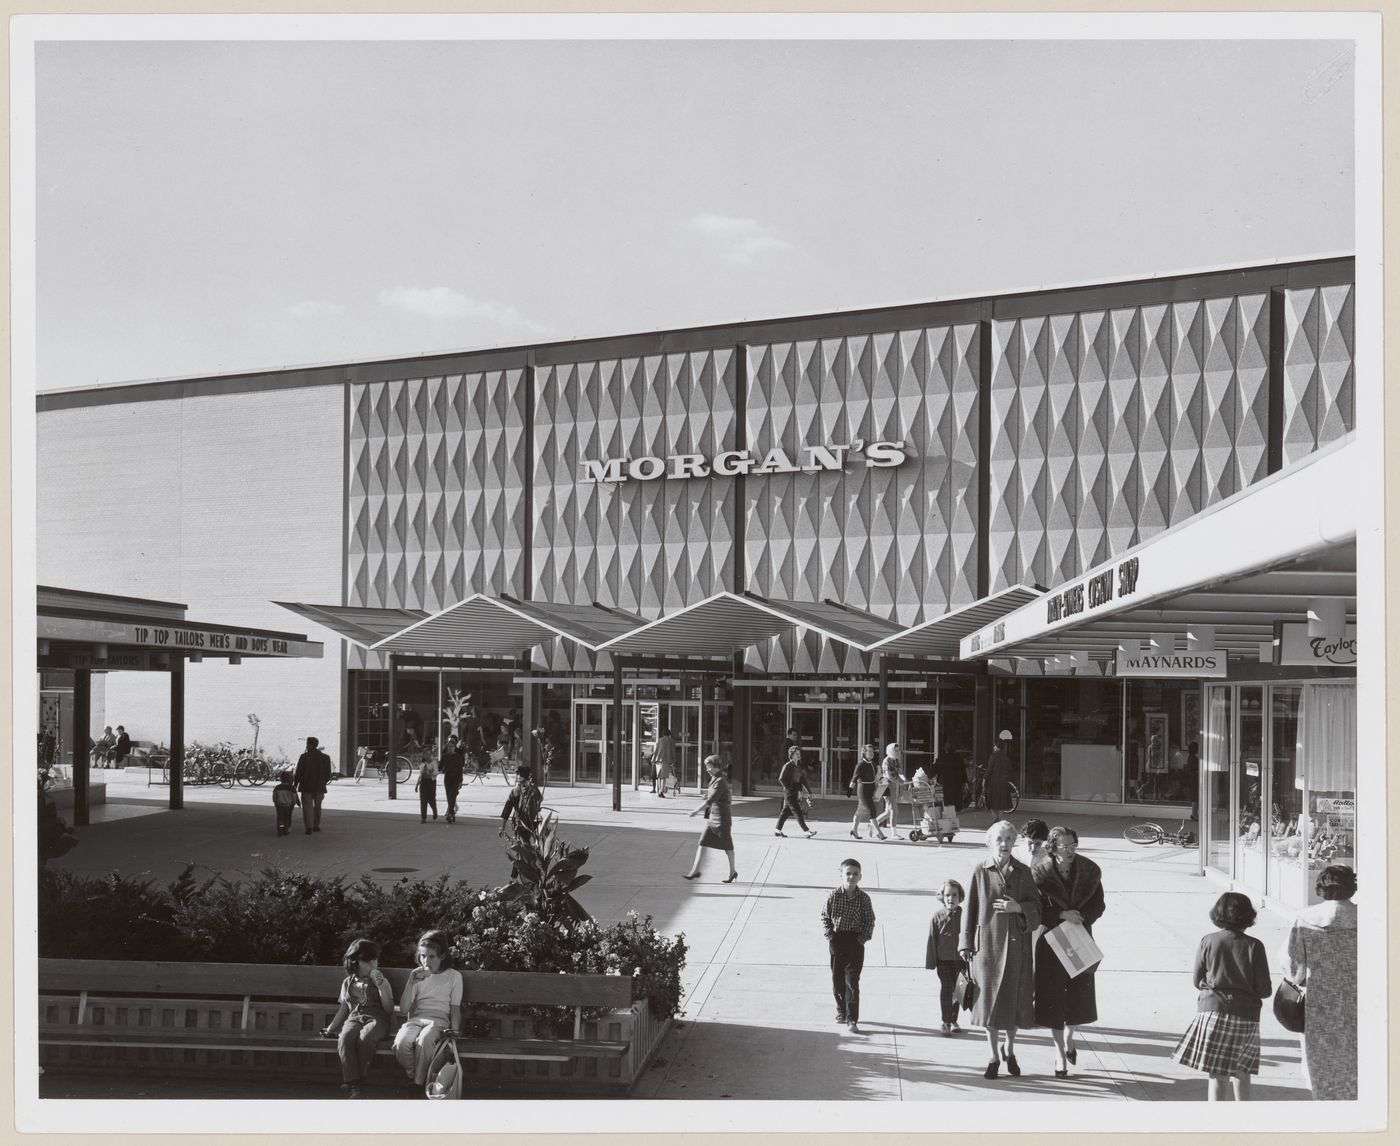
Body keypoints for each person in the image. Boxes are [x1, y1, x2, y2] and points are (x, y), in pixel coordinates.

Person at [1171, 891, 1272, 1101]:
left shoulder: (1208, 941)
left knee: (1217, 1075)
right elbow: (1264, 990)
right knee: (1242, 1072)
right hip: (1246, 1015)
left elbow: (1197, 980)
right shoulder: (1255, 945)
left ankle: (1216, 1122)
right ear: (1249, 916)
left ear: (1217, 914)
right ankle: (1243, 1119)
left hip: (1212, 1012)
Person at [960, 819, 1042, 1079]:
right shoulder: (980, 870)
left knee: (1014, 1003)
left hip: (1018, 948)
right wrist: (965, 943)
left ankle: (1011, 1049)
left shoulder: (1024, 872)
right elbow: (970, 909)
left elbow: (1037, 910)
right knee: (988, 1005)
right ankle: (994, 1056)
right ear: (989, 843)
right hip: (987, 949)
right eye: (999, 839)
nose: (1004, 844)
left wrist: (1019, 908)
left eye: (1009, 839)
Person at [1279, 865, 1358, 1100]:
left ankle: (1326, 1101)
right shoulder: (1370, 917)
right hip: (1361, 999)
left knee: (1322, 1058)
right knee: (1358, 1054)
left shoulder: (1305, 918)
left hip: (1319, 1001)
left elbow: (1292, 965)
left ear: (1321, 888)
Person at [1032, 826, 1105, 1077]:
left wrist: (1082, 917)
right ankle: (1059, 1054)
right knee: (1052, 999)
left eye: (1073, 845)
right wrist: (1060, 914)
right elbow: (1034, 907)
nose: (1070, 850)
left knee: (1078, 996)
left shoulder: (1089, 871)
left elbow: (1099, 904)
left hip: (1079, 937)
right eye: (1064, 846)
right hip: (1051, 939)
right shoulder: (1039, 872)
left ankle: (1070, 1038)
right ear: (1052, 847)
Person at [321, 938, 395, 1099]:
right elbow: (344, 1008)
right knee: (345, 1037)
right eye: (367, 961)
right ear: (355, 962)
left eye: (375, 960)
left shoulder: (382, 981)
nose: (373, 964)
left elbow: (389, 1009)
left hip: (378, 1018)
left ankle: (356, 1083)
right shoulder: (348, 983)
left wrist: (381, 987)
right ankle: (353, 1081)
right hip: (354, 1017)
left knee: (366, 1038)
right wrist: (330, 1028)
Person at [393, 930, 463, 1088]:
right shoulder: (417, 976)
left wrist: (455, 1031)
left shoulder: (454, 976)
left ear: (442, 956)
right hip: (416, 1019)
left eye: (431, 957)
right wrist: (410, 983)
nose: (426, 961)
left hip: (439, 1021)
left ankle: (417, 1085)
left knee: (425, 1040)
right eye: (423, 956)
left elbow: (455, 1007)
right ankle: (417, 1076)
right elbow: (404, 1010)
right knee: (401, 1043)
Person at [822, 857, 876, 1033]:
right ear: (841, 875)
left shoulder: (864, 899)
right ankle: (841, 1010)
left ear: (860, 876)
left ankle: (852, 1018)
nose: (851, 877)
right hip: (837, 940)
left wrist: (861, 939)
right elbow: (824, 917)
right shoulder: (833, 896)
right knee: (838, 980)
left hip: (855, 941)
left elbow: (870, 921)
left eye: (855, 874)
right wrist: (830, 935)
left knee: (852, 981)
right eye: (848, 873)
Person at [684, 755, 738, 882]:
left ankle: (732, 872)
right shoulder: (715, 778)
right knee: (702, 843)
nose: (707, 769)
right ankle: (695, 871)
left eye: (709, 766)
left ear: (715, 767)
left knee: (728, 847)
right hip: (713, 818)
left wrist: (696, 810)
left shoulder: (720, 780)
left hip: (722, 819)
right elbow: (712, 795)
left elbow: (712, 799)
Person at [925, 879, 966, 1035]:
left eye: (954, 895)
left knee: (959, 991)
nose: (951, 898)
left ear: (960, 896)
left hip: (961, 961)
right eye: (947, 895)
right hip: (943, 961)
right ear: (942, 897)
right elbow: (932, 939)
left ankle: (954, 1020)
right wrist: (931, 961)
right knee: (947, 988)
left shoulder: (965, 914)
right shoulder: (937, 916)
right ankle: (945, 1021)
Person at [775, 744, 817, 838]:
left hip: (796, 789)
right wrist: (788, 788)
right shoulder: (787, 766)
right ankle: (806, 831)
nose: (798, 755)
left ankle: (778, 830)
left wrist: (809, 792)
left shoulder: (799, 766)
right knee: (797, 810)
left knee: (786, 811)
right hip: (789, 791)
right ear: (791, 755)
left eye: (799, 753)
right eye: (796, 753)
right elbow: (781, 779)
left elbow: (803, 780)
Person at [293, 735, 333, 834]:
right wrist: (323, 782)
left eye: (307, 744)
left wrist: (295, 784)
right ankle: (316, 825)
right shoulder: (325, 757)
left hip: (306, 785)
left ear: (310, 745)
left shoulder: (304, 757)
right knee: (318, 806)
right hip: (319, 786)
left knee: (307, 807)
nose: (306, 746)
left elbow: (299, 772)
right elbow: (328, 774)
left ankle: (309, 827)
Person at [847, 743, 886, 841]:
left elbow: (877, 775)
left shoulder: (872, 763)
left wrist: (882, 781)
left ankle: (854, 830)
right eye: (869, 751)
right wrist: (850, 789)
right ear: (864, 752)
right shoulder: (860, 764)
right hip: (863, 790)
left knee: (860, 811)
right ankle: (879, 833)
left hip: (871, 789)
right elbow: (854, 778)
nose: (872, 753)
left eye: (873, 751)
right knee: (872, 810)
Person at [500, 764, 542, 842]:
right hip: (519, 823)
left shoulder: (533, 789)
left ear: (525, 776)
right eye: (518, 775)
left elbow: (539, 801)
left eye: (520, 775)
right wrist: (503, 826)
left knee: (526, 845)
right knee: (522, 844)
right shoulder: (515, 791)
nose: (518, 777)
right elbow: (507, 808)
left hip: (531, 823)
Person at [874, 743, 905, 839]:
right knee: (894, 811)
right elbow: (888, 775)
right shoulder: (887, 760)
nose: (897, 752)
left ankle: (872, 824)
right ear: (891, 750)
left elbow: (900, 772)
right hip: (887, 786)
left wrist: (904, 779)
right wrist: (898, 782)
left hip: (893, 785)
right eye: (895, 750)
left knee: (888, 812)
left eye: (898, 750)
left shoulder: (896, 760)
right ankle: (894, 833)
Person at [983, 730, 1014, 820]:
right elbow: (1010, 770)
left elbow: (989, 770)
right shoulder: (1006, 757)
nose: (993, 747)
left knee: (992, 802)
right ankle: (999, 820)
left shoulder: (994, 755)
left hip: (995, 782)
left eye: (994, 745)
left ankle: (995, 819)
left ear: (996, 746)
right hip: (1004, 782)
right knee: (1001, 804)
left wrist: (984, 780)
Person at [933, 743, 967, 816]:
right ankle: (954, 814)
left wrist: (929, 776)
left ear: (945, 750)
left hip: (945, 784)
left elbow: (933, 770)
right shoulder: (959, 759)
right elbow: (963, 772)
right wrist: (965, 782)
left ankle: (948, 815)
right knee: (955, 802)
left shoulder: (942, 758)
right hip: (956, 784)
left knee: (946, 801)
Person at [440, 736, 464, 823]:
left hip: (456, 779)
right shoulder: (445, 756)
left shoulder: (458, 757)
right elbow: (439, 767)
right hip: (447, 778)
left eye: (452, 747)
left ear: (454, 747)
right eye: (449, 747)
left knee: (452, 797)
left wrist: (461, 781)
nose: (450, 748)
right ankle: (452, 813)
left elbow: (460, 770)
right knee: (448, 796)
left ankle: (450, 813)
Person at [271, 769, 298, 837]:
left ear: (281, 779)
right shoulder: (291, 788)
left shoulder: (277, 787)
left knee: (280, 818)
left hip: (279, 805)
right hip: (288, 806)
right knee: (287, 818)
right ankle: (286, 829)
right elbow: (294, 797)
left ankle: (280, 828)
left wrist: (275, 802)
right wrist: (293, 803)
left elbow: (274, 796)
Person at [652, 726, 676, 797]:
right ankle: (661, 791)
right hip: (666, 760)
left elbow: (656, 750)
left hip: (658, 760)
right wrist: (673, 760)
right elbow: (672, 751)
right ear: (669, 733)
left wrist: (654, 760)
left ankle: (659, 790)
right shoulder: (671, 741)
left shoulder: (660, 740)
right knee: (664, 777)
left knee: (659, 776)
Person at [416, 752, 439, 824]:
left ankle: (434, 810)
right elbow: (420, 774)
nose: (427, 756)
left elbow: (436, 772)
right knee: (423, 800)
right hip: (423, 782)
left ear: (431, 755)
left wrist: (429, 772)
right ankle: (423, 817)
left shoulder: (433, 762)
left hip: (431, 782)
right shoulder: (422, 764)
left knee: (431, 799)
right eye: (425, 754)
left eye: (428, 754)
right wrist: (417, 785)